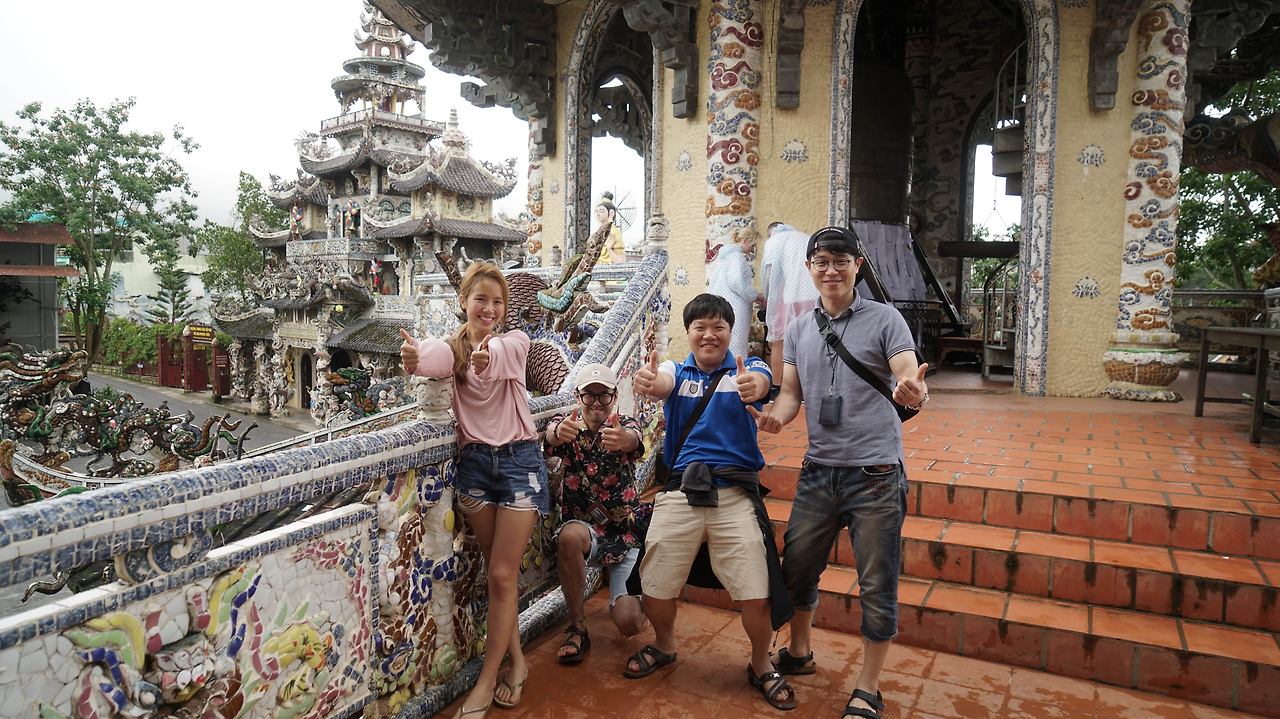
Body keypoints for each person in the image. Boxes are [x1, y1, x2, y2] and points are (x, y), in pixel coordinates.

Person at [750, 226, 929, 719]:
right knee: (798, 568)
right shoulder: (798, 329)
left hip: (875, 474)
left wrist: (913, 389)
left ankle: (869, 687)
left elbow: (906, 370)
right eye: (822, 261)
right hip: (819, 471)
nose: (831, 270)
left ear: (857, 266)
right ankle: (799, 651)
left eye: (841, 261)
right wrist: (776, 417)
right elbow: (791, 393)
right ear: (809, 268)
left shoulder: (885, 318)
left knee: (877, 583)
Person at [628, 293, 797, 712]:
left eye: (718, 327)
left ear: (730, 332)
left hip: (734, 493)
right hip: (681, 491)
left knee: (756, 588)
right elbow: (660, 381)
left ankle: (760, 663)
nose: (709, 334)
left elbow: (759, 382)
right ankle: (664, 643)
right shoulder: (676, 369)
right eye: (700, 327)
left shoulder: (746, 366)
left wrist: (754, 387)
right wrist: (650, 381)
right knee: (654, 580)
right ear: (688, 333)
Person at [398, 262, 548, 719]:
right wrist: (416, 358)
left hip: (520, 463)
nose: (490, 308)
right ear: (463, 301)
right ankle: (518, 662)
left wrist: (487, 356)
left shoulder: (514, 342)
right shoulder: (455, 350)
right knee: (498, 576)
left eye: (497, 301)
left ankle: (486, 680)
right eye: (481, 298)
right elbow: (437, 356)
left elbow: (500, 354)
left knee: (501, 575)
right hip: (476, 467)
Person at [543, 363, 649, 665]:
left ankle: (644, 602)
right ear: (578, 397)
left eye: (604, 396)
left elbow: (633, 438)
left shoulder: (624, 423)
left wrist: (625, 439)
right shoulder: (569, 426)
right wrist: (555, 434)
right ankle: (577, 627)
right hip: (587, 534)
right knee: (568, 536)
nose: (597, 404)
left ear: (614, 397)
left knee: (628, 623)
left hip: (626, 535)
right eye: (589, 395)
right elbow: (550, 434)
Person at [760, 222, 820, 393]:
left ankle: (778, 385)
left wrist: (767, 297)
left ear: (771, 233)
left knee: (779, 339)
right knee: (810, 339)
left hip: (788, 296)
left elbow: (768, 272)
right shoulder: (805, 238)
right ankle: (807, 384)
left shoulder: (774, 241)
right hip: (813, 295)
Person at [706, 227, 760, 360]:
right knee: (736, 342)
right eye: (753, 245)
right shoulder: (737, 258)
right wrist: (755, 295)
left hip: (721, 305)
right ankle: (737, 370)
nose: (753, 249)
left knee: (722, 340)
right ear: (746, 241)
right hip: (736, 307)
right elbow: (736, 282)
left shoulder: (724, 259)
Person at [594, 192, 626, 264]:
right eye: (597, 211)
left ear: (611, 213)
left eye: (601, 211)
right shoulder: (597, 232)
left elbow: (621, 262)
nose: (598, 214)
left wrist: (609, 249)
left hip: (607, 268)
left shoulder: (614, 232)